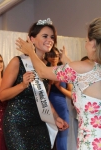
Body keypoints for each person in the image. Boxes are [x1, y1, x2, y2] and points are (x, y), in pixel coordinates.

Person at [16, 17, 101, 150]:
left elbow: (43, 72)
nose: (85, 45)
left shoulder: (87, 68)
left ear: (94, 44)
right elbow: (82, 77)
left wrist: (30, 52)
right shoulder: (91, 70)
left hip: (92, 143)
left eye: (86, 41)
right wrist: (67, 61)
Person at [0, 18, 68, 150]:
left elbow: (44, 98)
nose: (50, 40)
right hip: (17, 123)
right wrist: (22, 85)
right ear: (32, 39)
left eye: (52, 37)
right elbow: (2, 95)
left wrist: (56, 117)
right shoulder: (17, 62)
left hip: (40, 122)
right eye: (45, 36)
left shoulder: (46, 67)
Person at [45, 47, 72, 150]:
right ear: (46, 56)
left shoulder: (65, 71)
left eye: (56, 55)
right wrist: (50, 83)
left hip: (61, 106)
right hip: (47, 106)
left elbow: (71, 94)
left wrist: (59, 87)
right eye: (51, 55)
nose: (53, 58)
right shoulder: (43, 71)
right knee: (48, 136)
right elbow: (42, 94)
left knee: (62, 135)